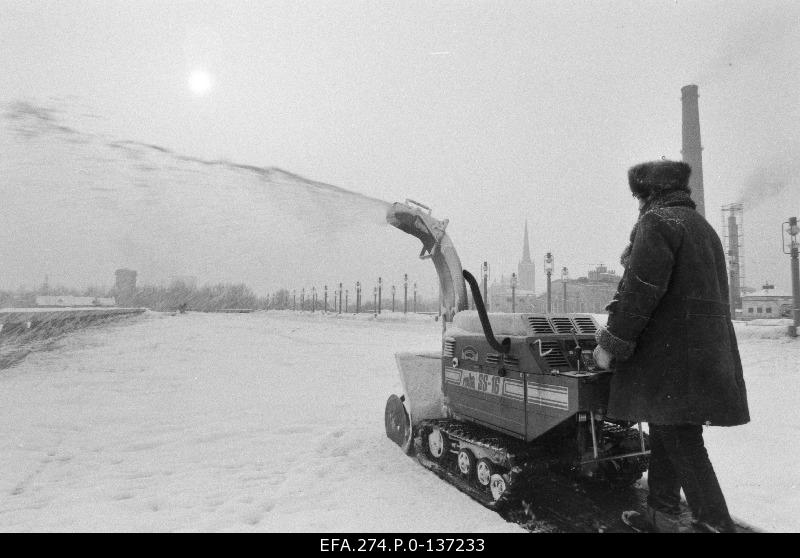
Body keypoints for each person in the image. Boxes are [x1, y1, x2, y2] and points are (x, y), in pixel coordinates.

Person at [592, 159, 750, 533]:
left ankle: (714, 523)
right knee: (667, 427)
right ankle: (661, 512)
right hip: (703, 354)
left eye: (639, 196)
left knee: (681, 436)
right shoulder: (703, 228)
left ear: (649, 193)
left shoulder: (656, 223)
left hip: (670, 356)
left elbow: (638, 295)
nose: (638, 204)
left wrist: (610, 345)